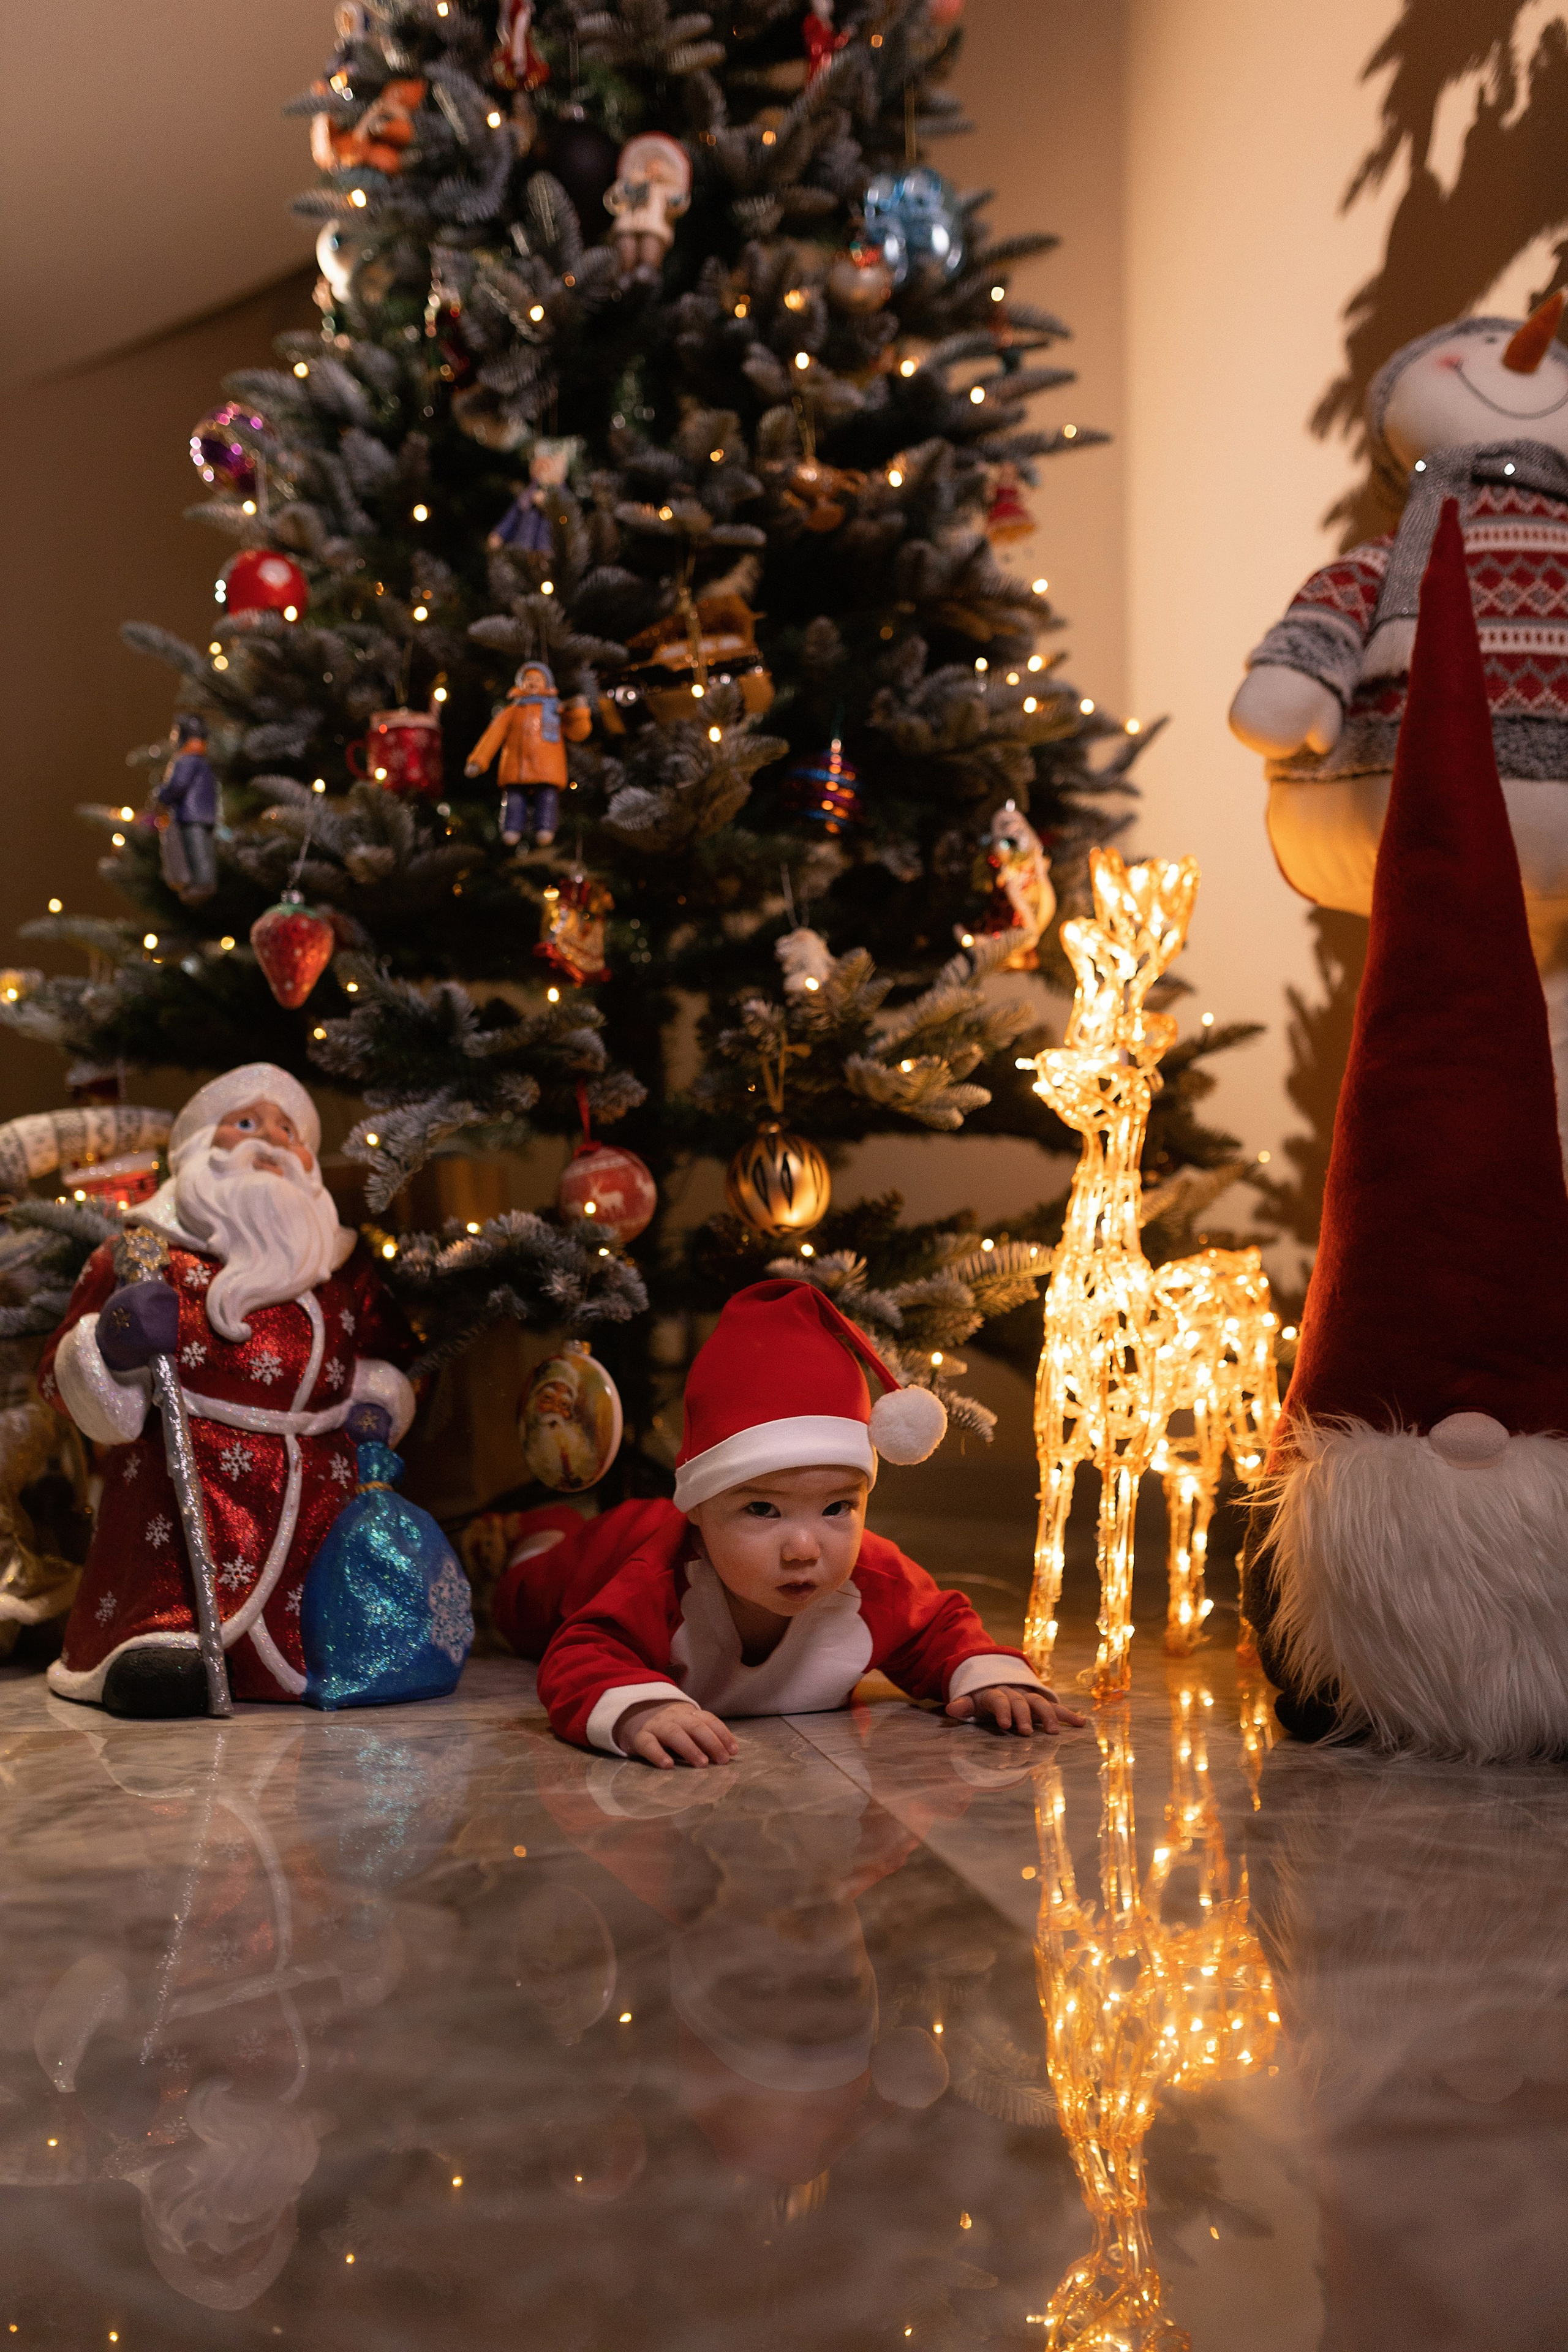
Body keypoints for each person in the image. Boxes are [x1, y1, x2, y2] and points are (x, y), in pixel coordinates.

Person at [494, 1280, 1085, 1763]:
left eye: (838, 1508)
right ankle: (537, 1532)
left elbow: (940, 1626)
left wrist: (986, 1678)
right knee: (523, 1604)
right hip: (610, 1547)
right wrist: (641, 1710)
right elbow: (581, 1651)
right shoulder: (658, 1579)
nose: (804, 1548)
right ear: (699, 1506)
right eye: (761, 1509)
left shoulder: (873, 1578)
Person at [39, 1064, 416, 1719]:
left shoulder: (344, 1267)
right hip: (181, 1499)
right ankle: (157, 1640)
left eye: (288, 1129)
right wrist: (112, 1346)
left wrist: (376, 1404)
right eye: (246, 1123)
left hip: (317, 1495)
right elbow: (57, 1375)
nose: (269, 1141)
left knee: (340, 1636)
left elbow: (393, 1363)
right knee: (166, 1661)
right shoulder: (141, 1255)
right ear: (196, 1151)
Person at [463, 659, 591, 846]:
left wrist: (579, 713)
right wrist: (478, 760)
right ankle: (511, 828)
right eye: (528, 679)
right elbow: (492, 736)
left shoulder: (556, 709)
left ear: (547, 683)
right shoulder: (511, 712)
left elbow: (579, 733)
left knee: (547, 798)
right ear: (520, 683)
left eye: (537, 679)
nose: (532, 683)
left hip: (548, 768)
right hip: (516, 768)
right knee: (514, 800)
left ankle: (546, 827)